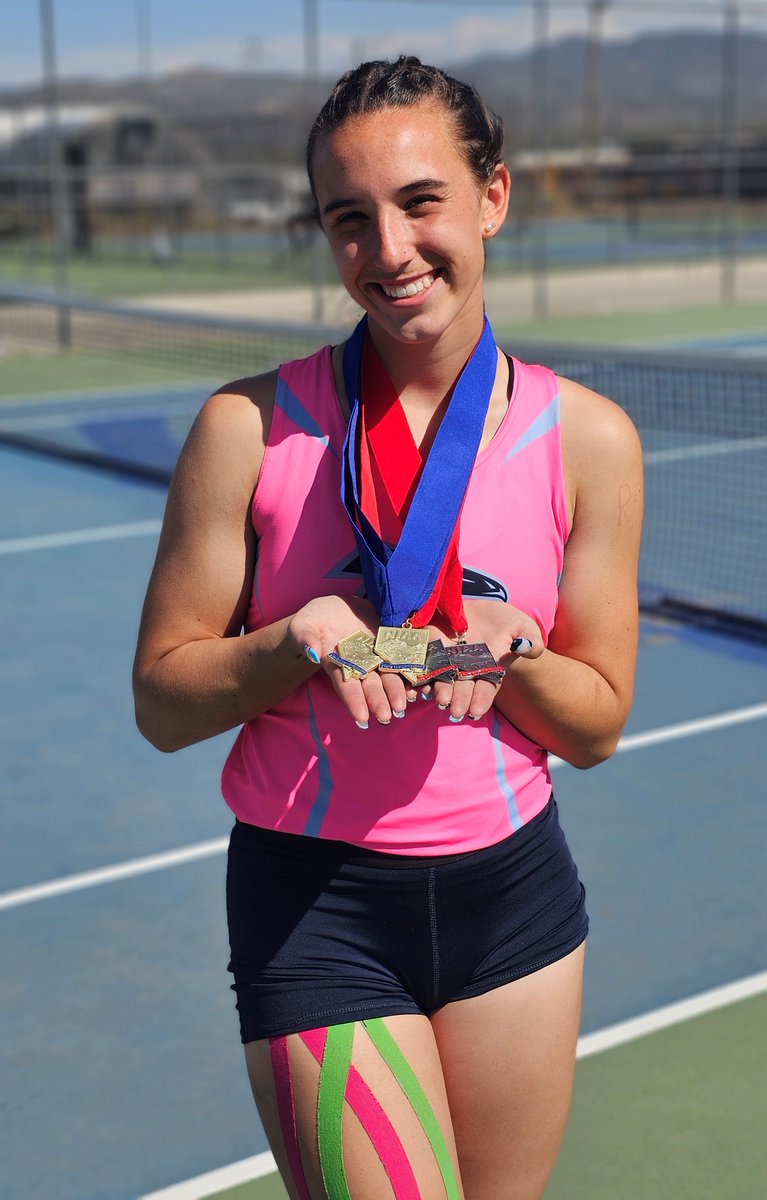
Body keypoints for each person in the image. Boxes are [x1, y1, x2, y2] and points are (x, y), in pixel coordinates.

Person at [133, 56, 643, 1200]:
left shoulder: (590, 442)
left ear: (492, 198)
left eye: (420, 203)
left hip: (514, 903)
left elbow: (598, 725)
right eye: (349, 220)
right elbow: (162, 703)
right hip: (317, 911)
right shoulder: (246, 431)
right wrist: (289, 643)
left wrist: (515, 654)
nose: (391, 249)